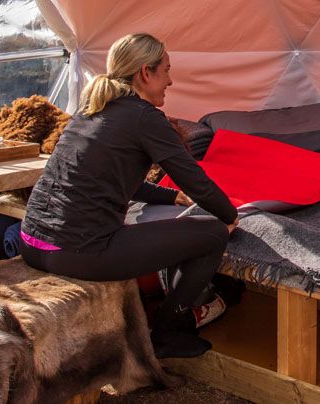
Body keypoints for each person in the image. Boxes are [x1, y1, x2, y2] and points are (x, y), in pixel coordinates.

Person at [19, 33, 238, 360]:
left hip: (32, 242)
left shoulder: (93, 108)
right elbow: (195, 179)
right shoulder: (144, 117)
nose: (171, 80)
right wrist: (231, 216)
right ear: (145, 73)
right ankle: (169, 330)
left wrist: (170, 198)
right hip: (79, 251)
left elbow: (118, 179)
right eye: (166, 70)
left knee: (192, 225)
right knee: (212, 233)